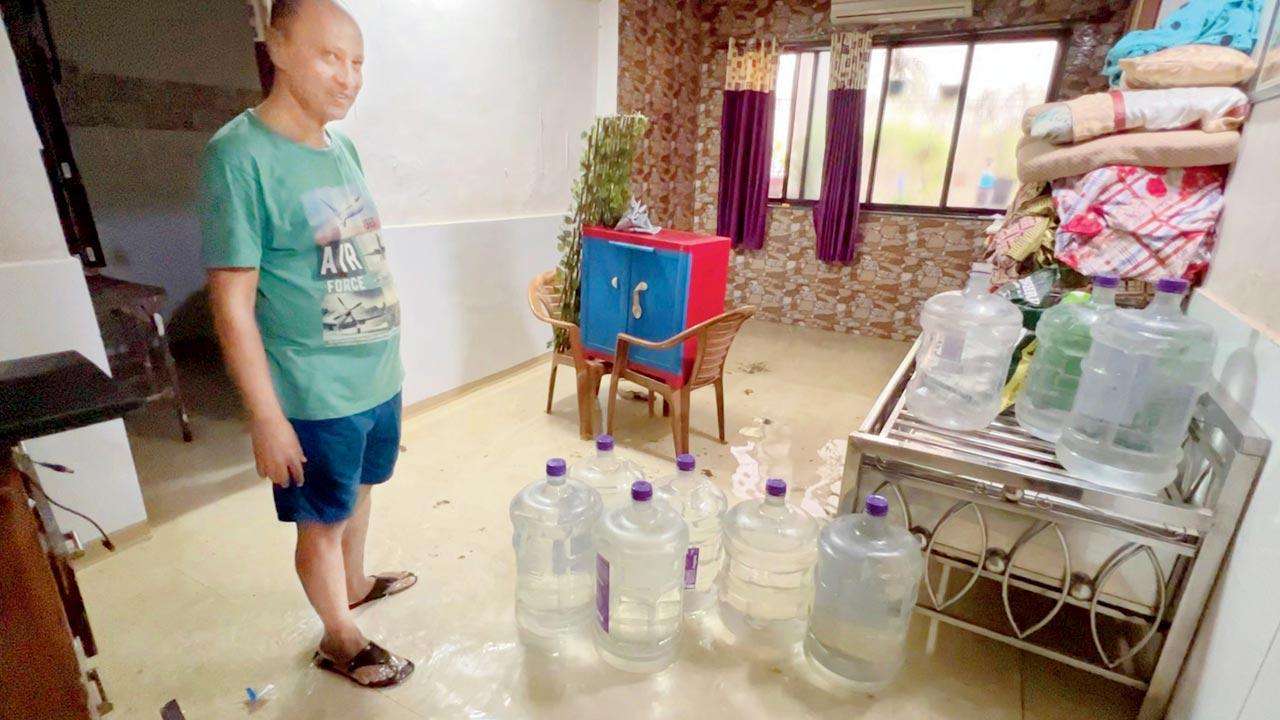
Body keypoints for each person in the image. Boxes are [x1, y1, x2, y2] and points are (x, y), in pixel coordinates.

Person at [198, 0, 415, 688]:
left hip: (376, 374)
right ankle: (339, 637)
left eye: (357, 62)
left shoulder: (339, 146)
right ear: (279, 47)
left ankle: (352, 583)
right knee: (320, 519)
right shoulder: (238, 156)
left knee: (362, 489)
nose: (349, 77)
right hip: (314, 390)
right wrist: (267, 417)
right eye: (331, 57)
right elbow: (231, 303)